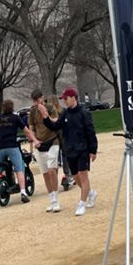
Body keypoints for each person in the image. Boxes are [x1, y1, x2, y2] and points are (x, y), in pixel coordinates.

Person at [37, 87, 98, 217]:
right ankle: (90, 193)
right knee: (75, 176)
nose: (64, 101)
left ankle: (82, 203)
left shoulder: (84, 113)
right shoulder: (65, 114)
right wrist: (45, 116)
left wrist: (93, 150)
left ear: (73, 98)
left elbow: (91, 133)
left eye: (66, 98)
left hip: (82, 149)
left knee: (83, 175)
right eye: (63, 99)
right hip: (69, 150)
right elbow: (55, 126)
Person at [0, 100, 40, 204]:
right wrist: (34, 140)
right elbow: (26, 131)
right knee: (19, 168)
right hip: (12, 146)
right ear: (12, 107)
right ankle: (23, 192)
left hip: (0, 147)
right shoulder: (15, 118)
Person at [27, 90, 64, 213]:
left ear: (42, 98)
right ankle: (52, 199)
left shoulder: (50, 107)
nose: (37, 102)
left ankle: (56, 200)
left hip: (52, 141)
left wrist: (45, 114)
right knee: (45, 173)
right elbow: (31, 128)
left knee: (52, 170)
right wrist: (34, 140)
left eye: (38, 99)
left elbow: (56, 121)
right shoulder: (32, 112)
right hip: (40, 144)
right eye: (35, 100)